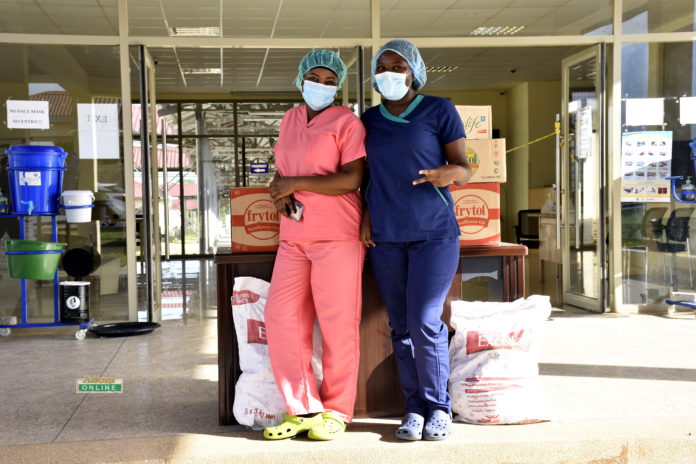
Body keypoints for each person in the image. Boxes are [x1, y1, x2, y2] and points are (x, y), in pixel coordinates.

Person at [360, 39, 471, 441]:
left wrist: (447, 174)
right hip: (387, 235)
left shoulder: (438, 109)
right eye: (382, 67)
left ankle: (439, 407)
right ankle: (414, 408)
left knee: (425, 321)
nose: (389, 73)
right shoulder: (368, 120)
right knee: (401, 325)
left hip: (434, 232)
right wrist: (367, 217)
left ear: (414, 73)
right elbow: (366, 176)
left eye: (399, 67)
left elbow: (465, 169)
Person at [262, 49, 367, 441]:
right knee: (281, 317)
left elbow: (352, 178)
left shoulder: (347, 122)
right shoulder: (290, 118)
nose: (321, 86)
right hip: (294, 234)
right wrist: (279, 189)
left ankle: (337, 411)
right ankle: (303, 407)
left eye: (330, 81)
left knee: (338, 324)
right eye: (315, 79)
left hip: (338, 234)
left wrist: (296, 183)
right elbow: (283, 168)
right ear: (301, 79)